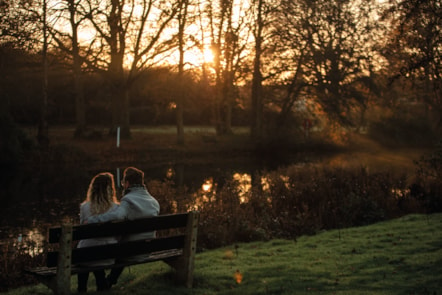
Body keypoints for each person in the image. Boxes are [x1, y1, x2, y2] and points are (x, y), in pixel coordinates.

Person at [87, 166, 160, 289]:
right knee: (123, 247)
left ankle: (105, 282)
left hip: (130, 252)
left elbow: (118, 216)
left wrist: (92, 220)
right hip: (147, 250)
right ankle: (109, 281)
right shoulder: (154, 202)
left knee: (108, 248)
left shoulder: (128, 200)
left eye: (122, 183)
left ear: (127, 183)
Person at [77, 172, 119, 293]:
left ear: (93, 188)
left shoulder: (84, 207)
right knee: (98, 252)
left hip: (86, 255)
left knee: (88, 250)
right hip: (108, 255)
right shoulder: (116, 208)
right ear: (110, 189)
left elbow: (81, 231)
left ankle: (81, 289)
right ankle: (102, 287)